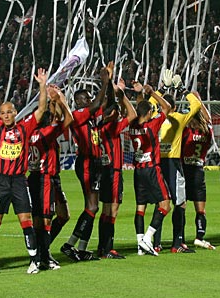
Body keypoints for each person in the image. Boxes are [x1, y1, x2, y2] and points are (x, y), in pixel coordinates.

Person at [0, 63, 49, 274]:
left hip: (19, 180)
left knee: (25, 220)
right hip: (1, 181)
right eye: (3, 113)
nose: (6, 115)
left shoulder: (24, 128)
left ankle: (34, 261)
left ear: (15, 113)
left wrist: (43, 86)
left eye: (9, 112)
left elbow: (42, 109)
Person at [60, 63, 112, 262]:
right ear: (77, 102)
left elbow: (106, 103)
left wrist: (110, 83)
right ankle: (69, 245)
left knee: (93, 208)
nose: (88, 100)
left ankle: (81, 249)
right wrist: (104, 82)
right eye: (85, 99)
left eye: (89, 98)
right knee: (91, 207)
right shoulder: (77, 115)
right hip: (87, 163)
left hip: (95, 163)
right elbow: (98, 105)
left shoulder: (91, 116)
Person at [153, 69, 202, 253]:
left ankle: (155, 243)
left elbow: (150, 102)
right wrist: (181, 88)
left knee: (161, 203)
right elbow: (196, 105)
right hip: (173, 164)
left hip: (157, 164)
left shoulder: (155, 118)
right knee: (180, 203)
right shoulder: (178, 118)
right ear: (173, 107)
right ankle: (177, 243)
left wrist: (161, 88)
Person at [28, 85, 73, 270]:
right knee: (45, 220)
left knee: (62, 215)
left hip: (45, 178)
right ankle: (43, 256)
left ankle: (42, 251)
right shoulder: (46, 133)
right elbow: (68, 119)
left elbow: (57, 116)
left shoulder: (32, 133)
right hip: (45, 178)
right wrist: (61, 98)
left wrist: (53, 102)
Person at [130, 83, 172, 256]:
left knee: (140, 208)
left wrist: (140, 93)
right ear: (148, 113)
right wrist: (152, 92)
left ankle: (140, 245)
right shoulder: (152, 125)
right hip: (152, 170)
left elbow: (140, 108)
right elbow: (167, 107)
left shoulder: (133, 125)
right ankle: (147, 238)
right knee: (165, 205)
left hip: (138, 171)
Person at [97, 78, 136, 259]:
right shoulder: (112, 127)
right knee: (112, 210)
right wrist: (122, 96)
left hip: (105, 171)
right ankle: (108, 248)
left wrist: (115, 93)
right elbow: (132, 114)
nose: (120, 114)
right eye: (117, 111)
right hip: (113, 172)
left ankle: (102, 248)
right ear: (112, 113)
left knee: (106, 209)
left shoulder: (100, 126)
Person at [181, 93, 215, 250]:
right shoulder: (207, 130)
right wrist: (199, 100)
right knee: (200, 210)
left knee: (181, 207)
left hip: (184, 170)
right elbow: (209, 120)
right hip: (199, 171)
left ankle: (180, 238)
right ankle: (199, 237)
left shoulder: (186, 130)